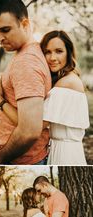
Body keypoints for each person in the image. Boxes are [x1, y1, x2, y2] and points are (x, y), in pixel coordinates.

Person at [0, 0, 52, 165]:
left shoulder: (26, 62)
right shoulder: (30, 52)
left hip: (22, 160)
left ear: (24, 24)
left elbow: (29, 131)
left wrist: (1, 158)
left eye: (5, 30)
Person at [40, 30, 89, 165]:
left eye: (58, 51)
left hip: (65, 153)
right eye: (47, 52)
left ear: (68, 53)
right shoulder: (67, 79)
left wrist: (1, 102)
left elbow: (37, 126)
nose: (52, 58)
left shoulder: (67, 83)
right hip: (61, 147)